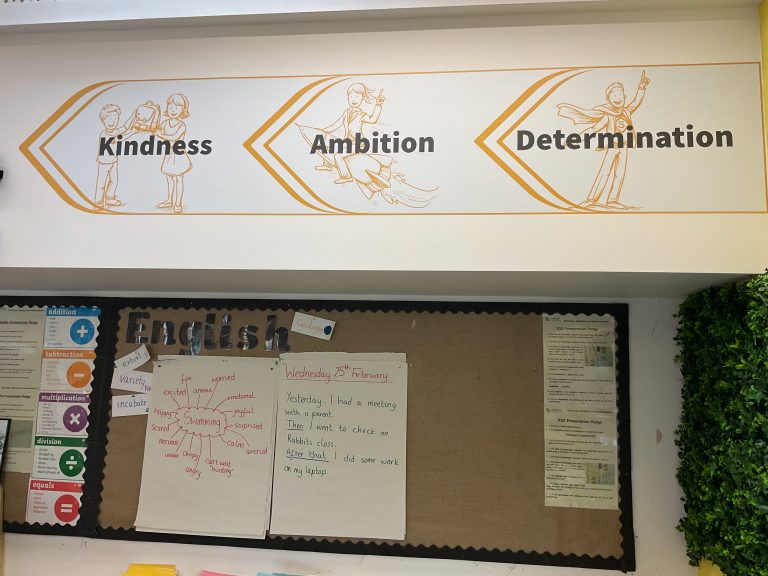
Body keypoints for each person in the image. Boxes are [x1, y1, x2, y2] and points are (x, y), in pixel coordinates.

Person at [558, 70, 650, 210]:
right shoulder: (608, 115)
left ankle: (613, 200)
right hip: (612, 146)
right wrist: (574, 139)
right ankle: (592, 199)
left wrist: (641, 88)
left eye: (620, 94)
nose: (618, 97)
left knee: (620, 173)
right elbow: (594, 129)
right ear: (608, 99)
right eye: (614, 95)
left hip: (624, 146)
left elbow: (636, 102)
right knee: (605, 172)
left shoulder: (626, 111)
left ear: (625, 97)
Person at [156, 94, 192, 213]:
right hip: (169, 154)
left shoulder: (182, 125)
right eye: (171, 107)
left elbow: (174, 137)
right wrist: (155, 113)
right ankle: (169, 200)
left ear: (183, 110)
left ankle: (178, 203)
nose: (173, 110)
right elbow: (155, 127)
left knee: (179, 179)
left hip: (179, 154)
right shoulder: (165, 123)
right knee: (169, 178)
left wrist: (159, 134)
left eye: (177, 108)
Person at [94, 104, 134, 210]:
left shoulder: (115, 131)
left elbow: (125, 127)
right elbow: (119, 139)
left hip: (113, 161)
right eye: (110, 119)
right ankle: (98, 202)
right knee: (101, 183)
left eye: (116, 119)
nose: (113, 121)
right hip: (104, 163)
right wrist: (132, 132)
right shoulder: (104, 134)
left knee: (114, 181)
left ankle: (109, 198)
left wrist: (133, 116)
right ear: (104, 120)